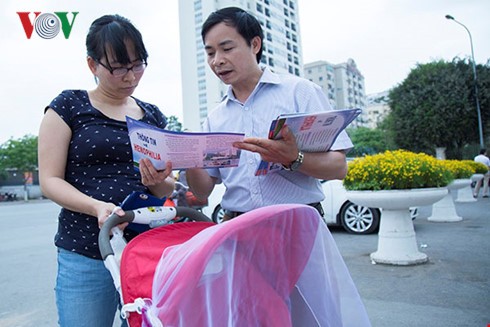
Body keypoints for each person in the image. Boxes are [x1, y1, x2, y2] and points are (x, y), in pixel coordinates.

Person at [38, 14, 175, 326]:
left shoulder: (151, 115)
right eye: (118, 67)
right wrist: (97, 206)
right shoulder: (69, 106)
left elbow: (165, 188)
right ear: (92, 65)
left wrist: (157, 182)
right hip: (86, 250)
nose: (130, 76)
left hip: (144, 248)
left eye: (138, 64)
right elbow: (49, 180)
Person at [185, 7, 353, 220]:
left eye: (227, 49)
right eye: (210, 53)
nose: (217, 60)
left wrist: (293, 158)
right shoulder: (215, 118)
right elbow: (202, 191)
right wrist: (187, 158)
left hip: (297, 223)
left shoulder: (300, 92)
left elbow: (338, 168)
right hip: (238, 227)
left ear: (255, 44)